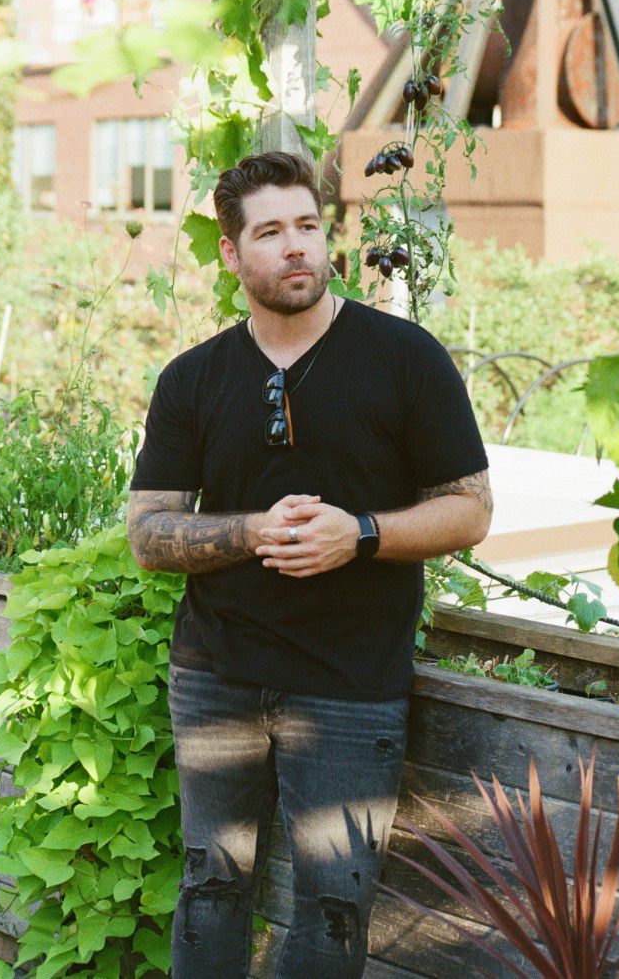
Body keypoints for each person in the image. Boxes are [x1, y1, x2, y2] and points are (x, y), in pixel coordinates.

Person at [126, 150, 492, 978]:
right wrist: (254, 531)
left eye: (308, 226)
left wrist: (358, 533)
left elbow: (471, 508)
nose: (296, 246)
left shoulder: (406, 358)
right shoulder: (193, 378)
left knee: (333, 912)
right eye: (270, 232)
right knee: (211, 887)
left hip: (350, 682)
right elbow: (148, 534)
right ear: (231, 252)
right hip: (216, 674)